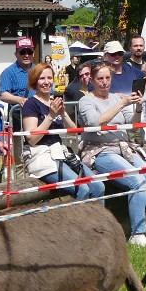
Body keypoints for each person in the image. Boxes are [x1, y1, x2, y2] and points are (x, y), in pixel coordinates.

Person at [75, 63, 146, 247]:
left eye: (107, 78)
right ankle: (137, 233)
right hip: (100, 151)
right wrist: (122, 103)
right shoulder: (86, 101)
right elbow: (94, 123)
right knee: (137, 181)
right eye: (100, 79)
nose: (105, 82)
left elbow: (132, 123)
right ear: (92, 80)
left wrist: (138, 108)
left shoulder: (115, 97)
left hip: (123, 148)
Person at [21, 61, 100, 199]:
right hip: (42, 156)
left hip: (60, 152)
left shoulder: (55, 101)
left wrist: (62, 113)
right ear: (35, 81)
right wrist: (51, 115)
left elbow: (75, 131)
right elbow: (32, 139)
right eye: (42, 78)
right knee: (82, 189)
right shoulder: (30, 104)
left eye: (49, 78)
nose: (46, 82)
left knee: (98, 186)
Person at [0, 37, 36, 109]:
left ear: (33, 54)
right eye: (22, 52)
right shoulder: (8, 72)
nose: (26, 55)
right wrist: (20, 100)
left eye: (29, 52)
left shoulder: (39, 70)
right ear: (16, 54)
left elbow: (50, 92)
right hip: (18, 114)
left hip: (39, 113)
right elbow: (2, 95)